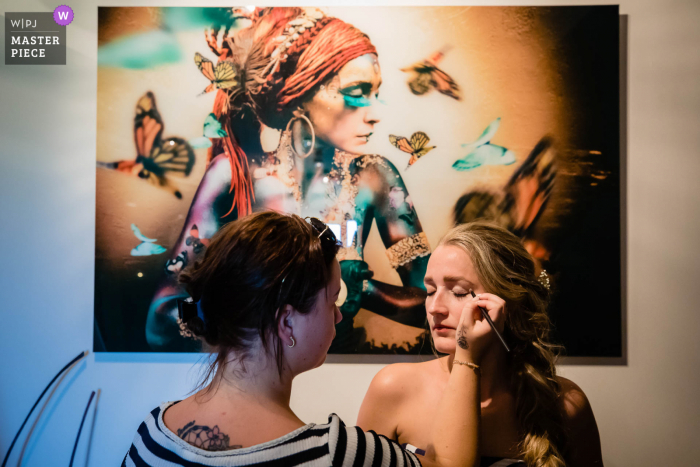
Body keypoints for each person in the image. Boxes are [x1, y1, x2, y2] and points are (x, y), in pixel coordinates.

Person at [146, 7, 430, 353]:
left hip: (344, 378)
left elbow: (432, 306)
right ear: (302, 92)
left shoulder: (375, 177)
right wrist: (254, 299)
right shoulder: (234, 175)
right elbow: (159, 319)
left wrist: (364, 290)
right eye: (357, 91)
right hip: (254, 379)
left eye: (374, 93)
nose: (374, 114)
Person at [123, 211, 499, 466]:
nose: (338, 313)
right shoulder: (333, 453)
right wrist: (467, 357)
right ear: (287, 322)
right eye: (332, 299)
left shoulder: (152, 433)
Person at [357, 222, 604, 467]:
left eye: (460, 292)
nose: (434, 308)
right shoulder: (394, 388)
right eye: (430, 290)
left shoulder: (566, 404)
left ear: (510, 301)